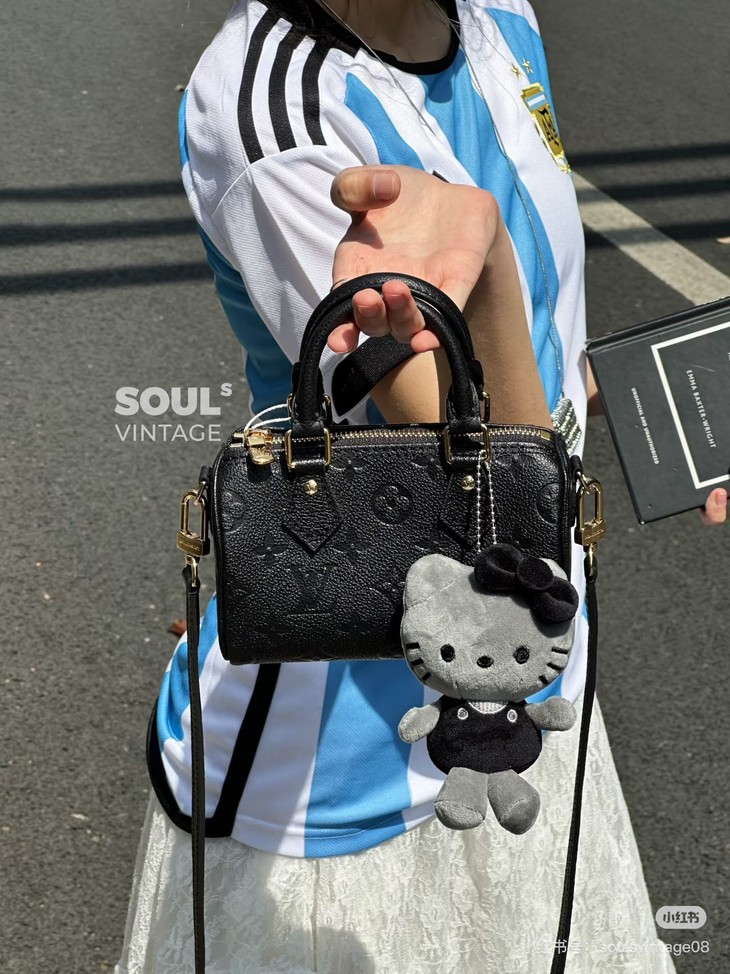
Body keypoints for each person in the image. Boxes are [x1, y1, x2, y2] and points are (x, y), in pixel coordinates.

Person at [115, 1, 723, 971]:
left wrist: (702, 400)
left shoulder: (499, 16)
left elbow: (545, 361)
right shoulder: (279, 107)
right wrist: (488, 272)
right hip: (343, 778)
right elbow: (487, 493)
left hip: (522, 678)